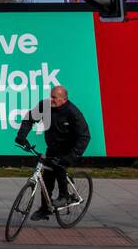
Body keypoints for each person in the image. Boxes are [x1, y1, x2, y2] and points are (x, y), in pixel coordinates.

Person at [15, 85, 90, 220]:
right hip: (53, 147)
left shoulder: (73, 113)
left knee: (59, 166)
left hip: (68, 149)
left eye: (54, 97)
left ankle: (64, 196)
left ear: (64, 99)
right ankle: (45, 209)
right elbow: (29, 119)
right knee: (47, 178)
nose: (51, 99)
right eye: (50, 96)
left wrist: (71, 157)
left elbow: (84, 136)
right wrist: (21, 136)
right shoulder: (45, 106)